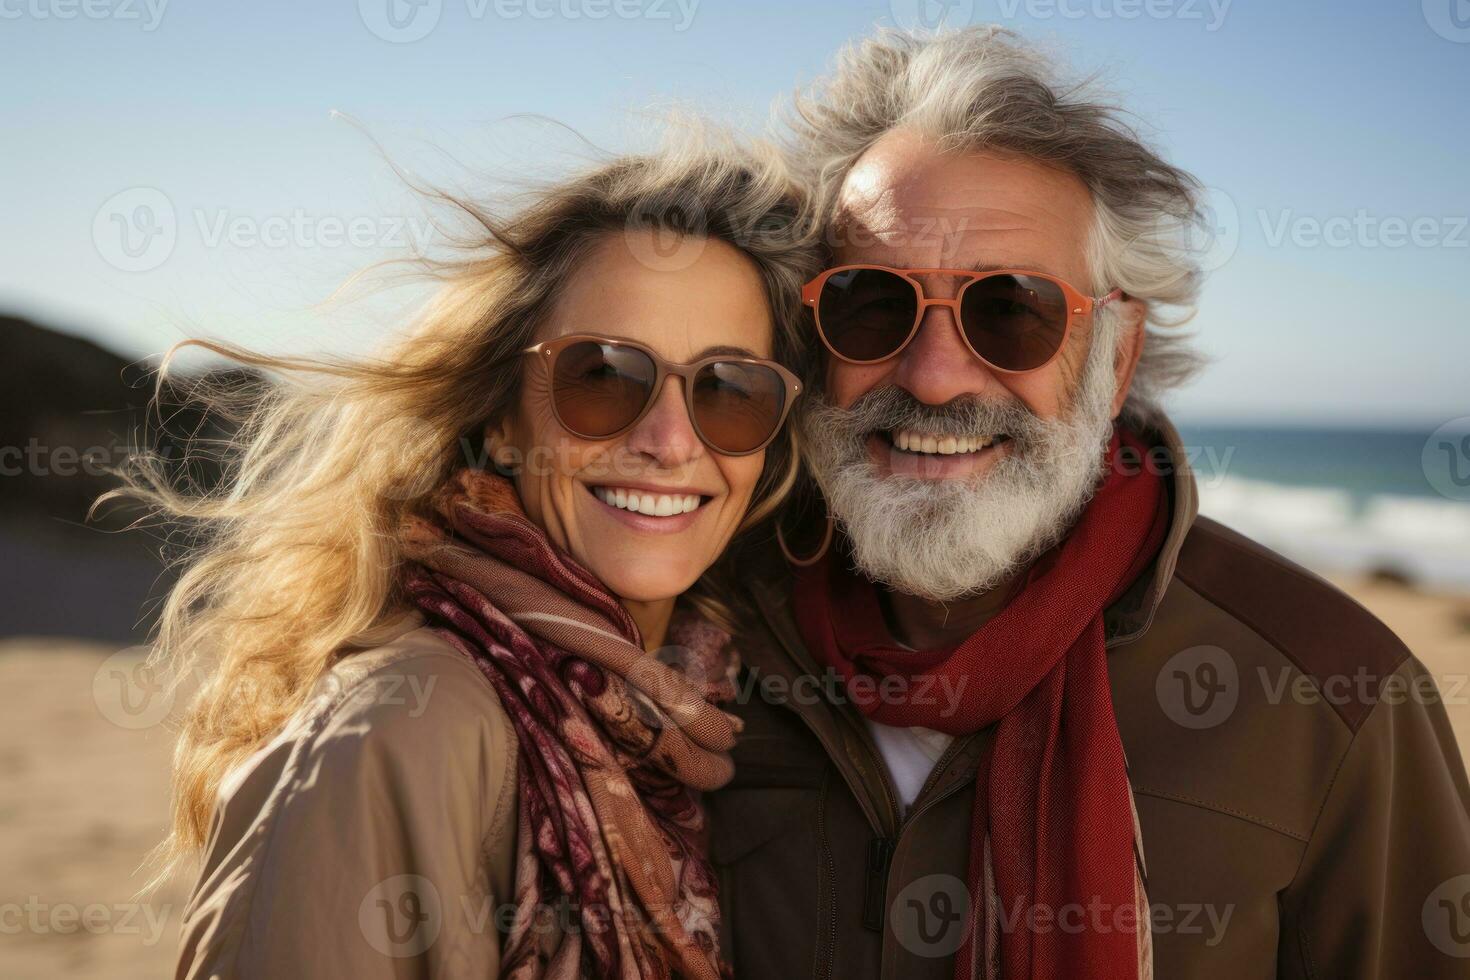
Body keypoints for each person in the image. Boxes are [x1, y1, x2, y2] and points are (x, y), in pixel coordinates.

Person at [707, 27, 1470, 980]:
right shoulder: (706, 638)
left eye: (1011, 310)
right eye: (872, 304)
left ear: (1113, 360)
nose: (937, 378)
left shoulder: (1336, 699)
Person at [124, 134, 820, 978]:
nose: (671, 442)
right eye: (602, 375)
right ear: (498, 416)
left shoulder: (693, 711)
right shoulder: (399, 729)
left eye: (729, 389)